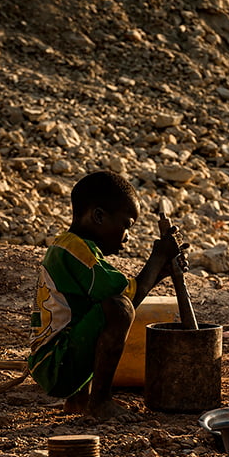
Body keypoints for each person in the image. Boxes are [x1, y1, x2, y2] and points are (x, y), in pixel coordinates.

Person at [27, 170, 185, 420]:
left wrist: (159, 271)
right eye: (126, 225)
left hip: (54, 361)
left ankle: (79, 400)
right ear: (99, 216)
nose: (128, 236)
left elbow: (125, 299)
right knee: (117, 308)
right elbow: (123, 300)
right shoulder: (77, 251)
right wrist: (157, 258)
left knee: (107, 308)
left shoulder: (68, 246)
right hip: (56, 364)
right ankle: (99, 402)